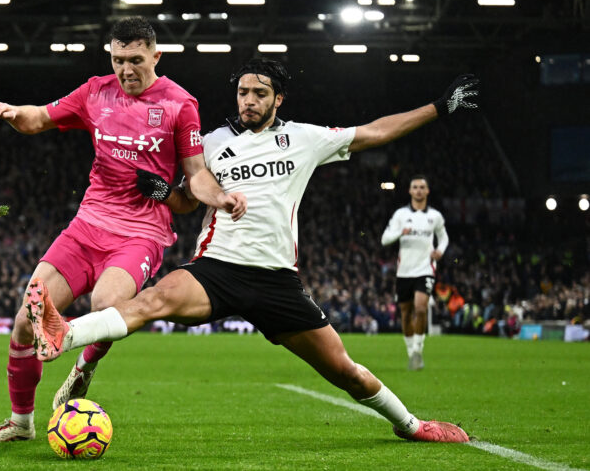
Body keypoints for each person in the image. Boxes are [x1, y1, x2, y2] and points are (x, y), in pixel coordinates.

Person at [27, 58, 479, 443]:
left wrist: (438, 108)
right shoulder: (212, 144)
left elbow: (376, 132)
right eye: (243, 92)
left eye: (259, 93)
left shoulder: (306, 138)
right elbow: (188, 201)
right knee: (151, 301)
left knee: (344, 370)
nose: (248, 101)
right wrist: (166, 191)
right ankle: (64, 335)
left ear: (278, 98)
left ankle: (411, 425)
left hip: (277, 280)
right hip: (217, 267)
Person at [0, 17, 246, 443]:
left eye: (136, 60)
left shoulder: (180, 104)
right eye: (119, 60)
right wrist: (12, 113)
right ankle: (21, 422)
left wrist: (222, 197)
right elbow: (40, 117)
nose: (126, 70)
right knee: (25, 324)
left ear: (156, 56)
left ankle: (84, 365)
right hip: (87, 226)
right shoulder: (95, 91)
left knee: (107, 303)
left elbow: (195, 177)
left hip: (141, 233)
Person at [381, 176, 449, 370]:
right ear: (410, 191)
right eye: (415, 187)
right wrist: (400, 232)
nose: (418, 190)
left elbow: (444, 238)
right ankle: (411, 353)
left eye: (422, 187)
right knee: (405, 313)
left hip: (425, 269)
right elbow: (385, 239)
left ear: (427, 191)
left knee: (421, 308)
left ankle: (418, 350)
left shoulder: (434, 216)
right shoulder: (400, 215)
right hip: (404, 272)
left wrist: (440, 252)